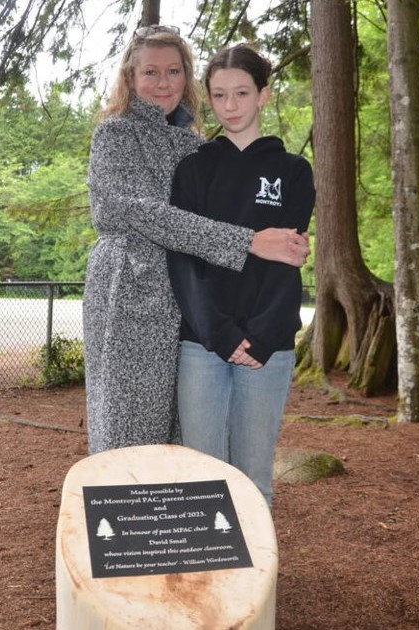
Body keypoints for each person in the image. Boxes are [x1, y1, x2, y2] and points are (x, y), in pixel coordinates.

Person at [83, 26, 309, 455]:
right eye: (150, 72)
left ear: (187, 78)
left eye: (174, 71)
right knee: (129, 430)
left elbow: (226, 215)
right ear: (130, 77)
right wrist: (247, 241)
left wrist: (283, 242)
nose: (163, 83)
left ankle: (182, 503)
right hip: (129, 292)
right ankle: (126, 500)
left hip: (190, 302)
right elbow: (136, 211)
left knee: (187, 440)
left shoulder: (193, 145)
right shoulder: (114, 134)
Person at [167, 44, 316, 507]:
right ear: (208, 98)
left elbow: (286, 260)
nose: (230, 106)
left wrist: (263, 335)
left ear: (263, 95)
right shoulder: (193, 170)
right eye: (219, 95)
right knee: (203, 478)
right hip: (203, 343)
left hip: (267, 347)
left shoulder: (293, 172)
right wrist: (220, 333)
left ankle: (256, 558)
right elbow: (184, 259)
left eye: (242, 93)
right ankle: (208, 559)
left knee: (253, 479)